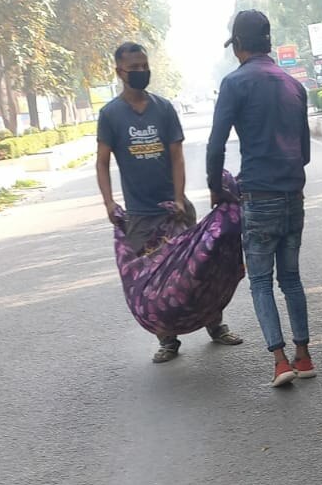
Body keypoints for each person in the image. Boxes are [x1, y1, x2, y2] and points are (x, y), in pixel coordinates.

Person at [97, 41, 242, 363]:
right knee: (152, 282)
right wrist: (108, 203)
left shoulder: (163, 109)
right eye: (133, 68)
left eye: (143, 66)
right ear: (119, 72)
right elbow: (102, 162)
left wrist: (179, 197)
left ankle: (216, 327)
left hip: (174, 211)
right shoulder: (110, 115)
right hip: (139, 217)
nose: (140, 72)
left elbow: (177, 155)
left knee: (197, 272)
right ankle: (167, 340)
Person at [207, 10, 314, 388]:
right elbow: (304, 154)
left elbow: (216, 144)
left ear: (238, 45)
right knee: (291, 279)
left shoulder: (234, 84)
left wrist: (214, 189)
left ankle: (280, 361)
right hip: (293, 195)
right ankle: (304, 356)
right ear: (268, 42)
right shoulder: (294, 86)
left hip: (258, 197)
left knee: (261, 282)